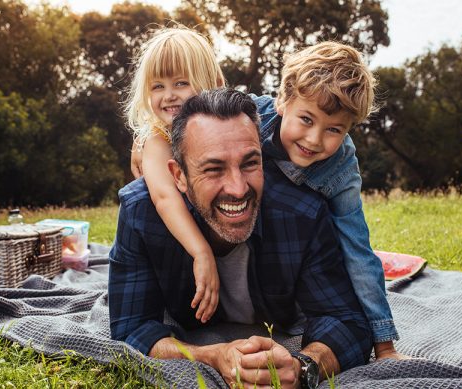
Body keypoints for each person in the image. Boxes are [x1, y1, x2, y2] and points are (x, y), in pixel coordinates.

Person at [130, 37, 403, 359]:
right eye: (306, 119)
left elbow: (358, 253)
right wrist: (146, 140)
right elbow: (206, 108)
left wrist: (384, 345)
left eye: (334, 130)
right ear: (282, 101)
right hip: (230, 234)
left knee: (350, 252)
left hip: (290, 250)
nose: (314, 139)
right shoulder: (250, 116)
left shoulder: (341, 170)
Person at [109, 88, 373, 388]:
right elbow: (131, 329)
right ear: (178, 176)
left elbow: (349, 323)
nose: (237, 188)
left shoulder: (302, 213)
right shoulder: (141, 213)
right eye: (213, 169)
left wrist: (303, 366)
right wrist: (212, 356)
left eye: (250, 163)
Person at [124, 26, 225, 323]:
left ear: (212, 83)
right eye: (157, 86)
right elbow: (165, 197)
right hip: (178, 248)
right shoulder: (157, 138)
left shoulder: (224, 122)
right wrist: (201, 252)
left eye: (181, 83)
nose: (168, 96)